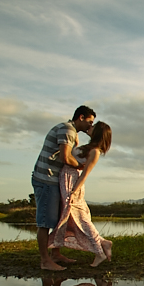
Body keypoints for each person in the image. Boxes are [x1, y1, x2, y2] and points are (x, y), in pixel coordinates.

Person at [32, 105, 96, 271]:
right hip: (46, 178)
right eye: (90, 122)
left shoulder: (71, 132)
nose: (90, 126)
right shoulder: (68, 130)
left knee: (58, 218)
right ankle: (45, 260)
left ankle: (55, 254)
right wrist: (81, 166)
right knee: (45, 221)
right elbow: (65, 157)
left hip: (54, 179)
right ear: (81, 117)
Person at [50, 121, 113, 267]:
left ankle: (99, 252)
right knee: (71, 216)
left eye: (93, 127)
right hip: (66, 179)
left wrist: (73, 192)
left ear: (98, 133)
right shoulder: (87, 147)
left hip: (73, 183)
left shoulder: (95, 152)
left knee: (80, 218)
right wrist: (77, 139)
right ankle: (103, 243)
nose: (90, 127)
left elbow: (84, 174)